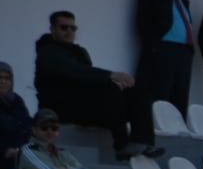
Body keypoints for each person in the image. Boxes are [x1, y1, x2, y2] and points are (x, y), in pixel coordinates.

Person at [32, 11, 157, 158]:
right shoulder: (47, 52)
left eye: (73, 28)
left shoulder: (79, 52)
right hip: (62, 107)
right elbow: (75, 71)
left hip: (84, 105)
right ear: (53, 29)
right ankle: (122, 145)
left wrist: (118, 84)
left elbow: (87, 78)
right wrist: (111, 76)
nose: (69, 32)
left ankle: (144, 142)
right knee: (110, 90)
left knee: (136, 91)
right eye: (64, 28)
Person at [133, 0, 195, 114]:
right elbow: (143, 22)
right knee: (161, 93)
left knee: (180, 94)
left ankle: (178, 129)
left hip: (184, 52)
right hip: (163, 49)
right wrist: (153, 45)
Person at [0, 62, 31, 169]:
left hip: (16, 156)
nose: (3, 82)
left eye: (7, 78)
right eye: (0, 78)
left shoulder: (16, 101)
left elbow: (26, 127)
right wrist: (6, 150)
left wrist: (17, 147)